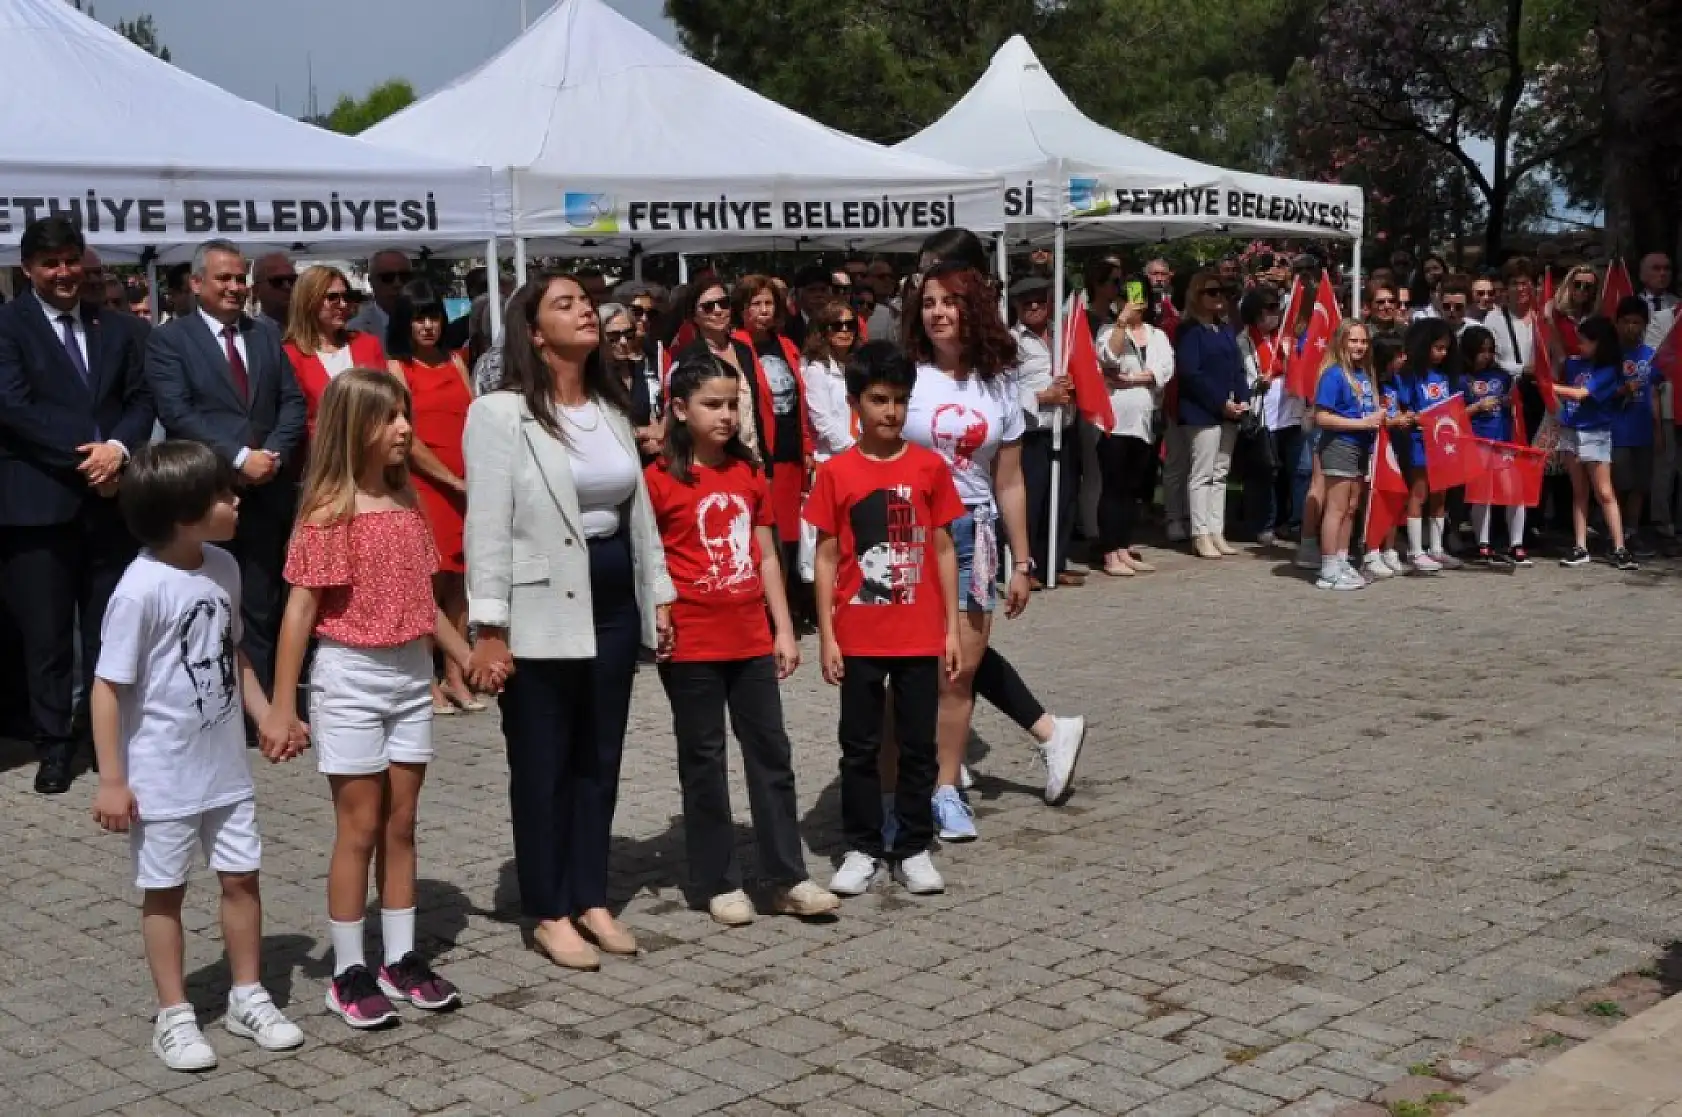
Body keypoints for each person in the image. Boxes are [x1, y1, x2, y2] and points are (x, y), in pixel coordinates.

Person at [464, 271, 675, 972]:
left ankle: (591, 895)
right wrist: (488, 625)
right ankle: (548, 907)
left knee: (600, 756)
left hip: (612, 598)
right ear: (532, 329)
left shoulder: (613, 409)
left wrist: (660, 592)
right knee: (544, 760)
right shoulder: (500, 414)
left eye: (587, 302)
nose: (586, 310)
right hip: (537, 606)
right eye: (567, 304)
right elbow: (487, 525)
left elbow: (636, 514)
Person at [263, 369, 475, 1028]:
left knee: (401, 824)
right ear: (354, 428)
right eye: (390, 419)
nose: (405, 429)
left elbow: (423, 600)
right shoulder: (330, 510)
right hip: (350, 676)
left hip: (411, 675)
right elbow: (300, 610)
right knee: (358, 827)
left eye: (405, 415)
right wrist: (281, 703)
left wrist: (466, 654)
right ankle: (349, 968)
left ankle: (402, 956)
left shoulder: (409, 503)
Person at [90, 440, 306, 1071]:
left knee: (242, 878)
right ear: (184, 514)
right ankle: (175, 1014)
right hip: (162, 777)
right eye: (221, 495)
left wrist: (265, 713)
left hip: (224, 771)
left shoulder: (224, 567)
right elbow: (108, 687)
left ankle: (246, 995)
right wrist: (111, 779)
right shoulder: (139, 590)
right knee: (165, 891)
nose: (235, 500)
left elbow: (232, 651)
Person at [645, 356, 839, 924]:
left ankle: (786, 876)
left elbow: (766, 555)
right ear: (680, 410)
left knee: (771, 756)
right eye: (713, 404)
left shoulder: (748, 472)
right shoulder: (658, 480)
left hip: (751, 636)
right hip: (693, 644)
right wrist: (660, 617)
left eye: (733, 403)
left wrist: (783, 628)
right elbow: (651, 560)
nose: (726, 415)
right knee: (704, 760)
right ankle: (716, 880)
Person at [902, 260, 1082, 842]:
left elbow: (1010, 480)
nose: (938, 313)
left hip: (971, 530)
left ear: (971, 308)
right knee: (903, 668)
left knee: (960, 671)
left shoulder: (1000, 383)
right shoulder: (906, 375)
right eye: (929, 303)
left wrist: (1024, 562)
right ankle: (900, 784)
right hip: (907, 531)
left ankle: (947, 789)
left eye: (949, 302)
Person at [0, 216, 154, 794]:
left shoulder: (114, 327)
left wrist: (118, 449)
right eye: (51, 263)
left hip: (110, 504)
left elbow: (139, 400)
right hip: (37, 506)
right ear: (28, 270)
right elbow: (13, 408)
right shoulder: (8, 327)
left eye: (70, 259)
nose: (64, 272)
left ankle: (104, 738)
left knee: (108, 631)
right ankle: (54, 748)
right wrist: (86, 456)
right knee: (46, 639)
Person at [806, 341, 961, 897]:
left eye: (899, 400)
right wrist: (826, 634)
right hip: (858, 634)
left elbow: (943, 549)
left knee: (919, 745)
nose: (890, 412)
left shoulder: (929, 466)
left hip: (919, 633)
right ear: (855, 403)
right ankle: (862, 845)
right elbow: (826, 558)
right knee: (861, 746)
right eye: (878, 400)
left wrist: (949, 629)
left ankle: (915, 844)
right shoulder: (836, 472)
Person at [148, 240, 307, 714]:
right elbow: (177, 411)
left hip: (266, 492)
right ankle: (207, 703)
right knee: (205, 602)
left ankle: (257, 711)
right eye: (224, 278)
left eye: (240, 278)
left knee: (259, 603)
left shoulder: (265, 335)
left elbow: (292, 402)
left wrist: (271, 455)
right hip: (207, 494)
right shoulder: (170, 340)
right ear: (197, 284)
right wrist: (239, 457)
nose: (235, 287)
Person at [385, 279, 479, 715]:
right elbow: (411, 439)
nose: (428, 326)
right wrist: (450, 480)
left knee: (460, 583)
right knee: (428, 581)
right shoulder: (397, 369)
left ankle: (456, 672)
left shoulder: (457, 362)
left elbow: (474, 416)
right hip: (427, 487)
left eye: (434, 317)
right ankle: (425, 680)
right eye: (418, 318)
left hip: (467, 483)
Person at [1093, 277, 1175, 576]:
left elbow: (1164, 369)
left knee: (1132, 489)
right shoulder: (1107, 330)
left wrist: (1131, 379)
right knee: (1113, 488)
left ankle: (1123, 545)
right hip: (1115, 422)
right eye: (1126, 296)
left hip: (1144, 423)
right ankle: (1109, 550)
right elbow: (1108, 357)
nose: (1132, 301)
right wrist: (1121, 323)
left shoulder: (1157, 335)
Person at [734, 276, 812, 587]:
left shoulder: (788, 345)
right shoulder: (736, 346)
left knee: (793, 531)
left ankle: (793, 595)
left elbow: (801, 400)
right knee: (768, 530)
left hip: (791, 448)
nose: (764, 310)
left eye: (769, 303)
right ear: (743, 309)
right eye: (756, 304)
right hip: (761, 451)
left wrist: (806, 446)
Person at [1011, 275, 1083, 586]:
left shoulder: (1064, 337)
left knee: (1064, 499)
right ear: (1016, 306)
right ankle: (1028, 567)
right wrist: (1043, 397)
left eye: (1040, 299)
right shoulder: (1010, 342)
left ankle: (1056, 562)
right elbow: (1004, 390)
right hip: (1031, 433)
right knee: (1032, 503)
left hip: (1064, 428)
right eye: (1027, 302)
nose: (1035, 306)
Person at [1550, 317, 1636, 569]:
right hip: (1571, 430)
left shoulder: (1608, 370)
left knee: (1605, 492)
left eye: (1585, 342)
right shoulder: (1576, 363)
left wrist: (1550, 386)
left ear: (1599, 343)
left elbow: (1581, 393)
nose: (1580, 346)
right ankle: (1580, 546)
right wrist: (1548, 320)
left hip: (1595, 433)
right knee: (1579, 492)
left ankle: (1620, 547)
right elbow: (1557, 352)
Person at [1176, 271, 1249, 559]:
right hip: (1202, 412)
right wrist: (1220, 402)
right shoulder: (1189, 331)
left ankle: (1217, 530)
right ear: (1197, 295)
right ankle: (1200, 532)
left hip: (1228, 412)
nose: (1219, 297)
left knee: (1220, 473)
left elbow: (1237, 367)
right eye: (1212, 292)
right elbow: (1190, 373)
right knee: (1202, 473)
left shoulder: (1226, 329)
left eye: (1222, 292)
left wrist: (1242, 399)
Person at [1309, 321, 1380, 590]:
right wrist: (1361, 424)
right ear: (1341, 342)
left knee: (1351, 508)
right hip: (1340, 444)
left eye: (1363, 341)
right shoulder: (1334, 375)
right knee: (1336, 508)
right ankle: (1328, 566)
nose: (1359, 347)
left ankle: (1341, 559)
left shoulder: (1363, 373)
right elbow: (1322, 416)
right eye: (1354, 341)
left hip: (1362, 446)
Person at [283, 266, 386, 437]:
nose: (343, 305)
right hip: (320, 454)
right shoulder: (290, 354)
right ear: (309, 301)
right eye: (333, 298)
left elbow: (385, 400)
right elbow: (294, 418)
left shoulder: (368, 344)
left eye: (346, 297)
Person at [1395, 318, 1461, 572]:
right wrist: (1416, 418)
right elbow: (1404, 407)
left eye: (1446, 348)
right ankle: (1415, 550)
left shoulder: (1446, 375)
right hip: (1419, 442)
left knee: (1440, 494)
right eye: (1437, 348)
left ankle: (1436, 548)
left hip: (1444, 443)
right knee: (1419, 492)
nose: (1442, 353)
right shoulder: (1410, 375)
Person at [1236, 287, 1298, 546]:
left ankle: (1289, 520)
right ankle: (1264, 523)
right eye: (1269, 308)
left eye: (1277, 307)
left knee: (1291, 471)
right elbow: (1244, 375)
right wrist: (1258, 382)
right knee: (1265, 472)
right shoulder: (1244, 341)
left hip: (1290, 413)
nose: (1275, 313)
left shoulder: (1284, 338)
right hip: (1264, 416)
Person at [1460, 325, 1524, 565]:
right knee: (1481, 494)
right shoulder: (1461, 379)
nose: (1486, 355)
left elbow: (1515, 404)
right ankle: (1483, 542)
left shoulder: (1502, 376)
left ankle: (1516, 543)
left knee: (1514, 491)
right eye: (1481, 351)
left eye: (1490, 350)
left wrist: (1510, 402)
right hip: (1476, 443)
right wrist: (1477, 407)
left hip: (1504, 442)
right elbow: (1452, 416)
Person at [1610, 298, 1659, 557]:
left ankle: (1632, 530)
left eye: (1636, 322)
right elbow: (1598, 391)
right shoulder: (1608, 356)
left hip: (1643, 430)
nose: (1631, 327)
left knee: (1640, 485)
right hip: (1616, 430)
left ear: (1644, 324)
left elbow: (1655, 394)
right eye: (1626, 322)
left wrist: (1658, 430)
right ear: (1617, 323)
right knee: (1619, 484)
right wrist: (1621, 390)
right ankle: (1614, 532)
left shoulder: (1651, 356)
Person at [1369, 334, 1414, 573]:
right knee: (1379, 498)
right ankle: (1372, 549)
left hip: (1398, 447)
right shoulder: (1372, 383)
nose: (1404, 359)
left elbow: (1404, 407)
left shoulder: (1397, 381)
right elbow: (1371, 418)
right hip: (1378, 450)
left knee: (1397, 498)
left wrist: (1409, 417)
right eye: (1399, 355)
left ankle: (1390, 549)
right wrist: (1395, 422)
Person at [599, 303, 663, 461]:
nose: (623, 342)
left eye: (628, 335)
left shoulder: (642, 369)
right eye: (613, 337)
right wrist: (640, 432)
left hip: (646, 460)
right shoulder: (593, 377)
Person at [801, 301, 860, 463]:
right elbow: (822, 421)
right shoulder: (816, 370)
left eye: (850, 325)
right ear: (824, 331)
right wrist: (852, 448)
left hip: (859, 451)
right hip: (830, 458)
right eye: (837, 326)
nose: (845, 330)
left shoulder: (856, 367)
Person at [347, 250, 412, 341]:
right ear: (371, 282)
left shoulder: (430, 323)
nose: (397, 284)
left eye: (404, 277)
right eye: (387, 277)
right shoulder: (355, 329)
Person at [784, 265, 835, 349]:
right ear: (798, 294)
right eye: (812, 290)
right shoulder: (786, 328)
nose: (819, 295)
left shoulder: (839, 325)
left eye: (823, 290)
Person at [251, 252, 297, 329]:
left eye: (292, 280)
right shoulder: (250, 335)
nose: (287, 287)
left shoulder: (313, 330)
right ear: (256, 290)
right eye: (278, 281)